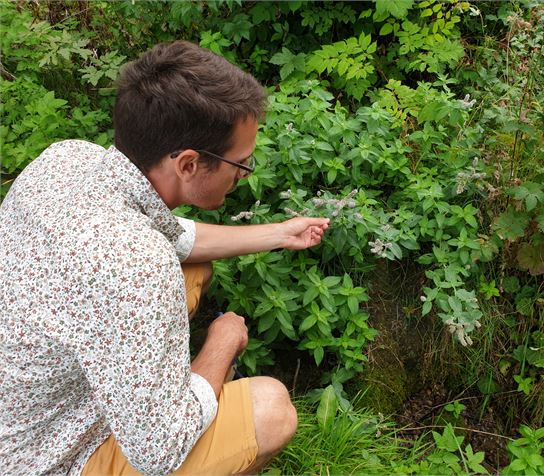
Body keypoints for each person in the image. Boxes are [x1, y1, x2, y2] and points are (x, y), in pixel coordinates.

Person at [0, 41, 330, 475]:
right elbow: (158, 452)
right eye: (241, 164)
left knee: (194, 269)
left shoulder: (68, 158)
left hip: (24, 396)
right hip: (39, 456)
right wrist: (221, 346)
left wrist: (278, 234)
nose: (242, 175)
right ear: (189, 164)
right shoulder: (138, 266)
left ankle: (158, 395)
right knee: (271, 410)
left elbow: (177, 237)